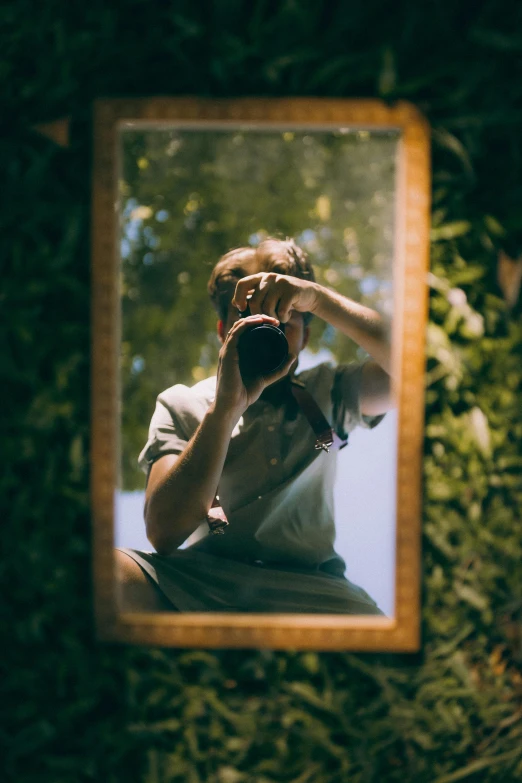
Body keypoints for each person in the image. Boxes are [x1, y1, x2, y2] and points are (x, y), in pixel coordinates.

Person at [116, 238, 393, 613]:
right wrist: (225, 409)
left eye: (285, 315)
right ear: (222, 332)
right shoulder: (182, 404)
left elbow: (417, 366)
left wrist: (316, 298)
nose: (270, 329)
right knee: (106, 575)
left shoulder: (329, 393)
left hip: (316, 589)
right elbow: (164, 533)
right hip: (202, 578)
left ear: (306, 336)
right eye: (248, 317)